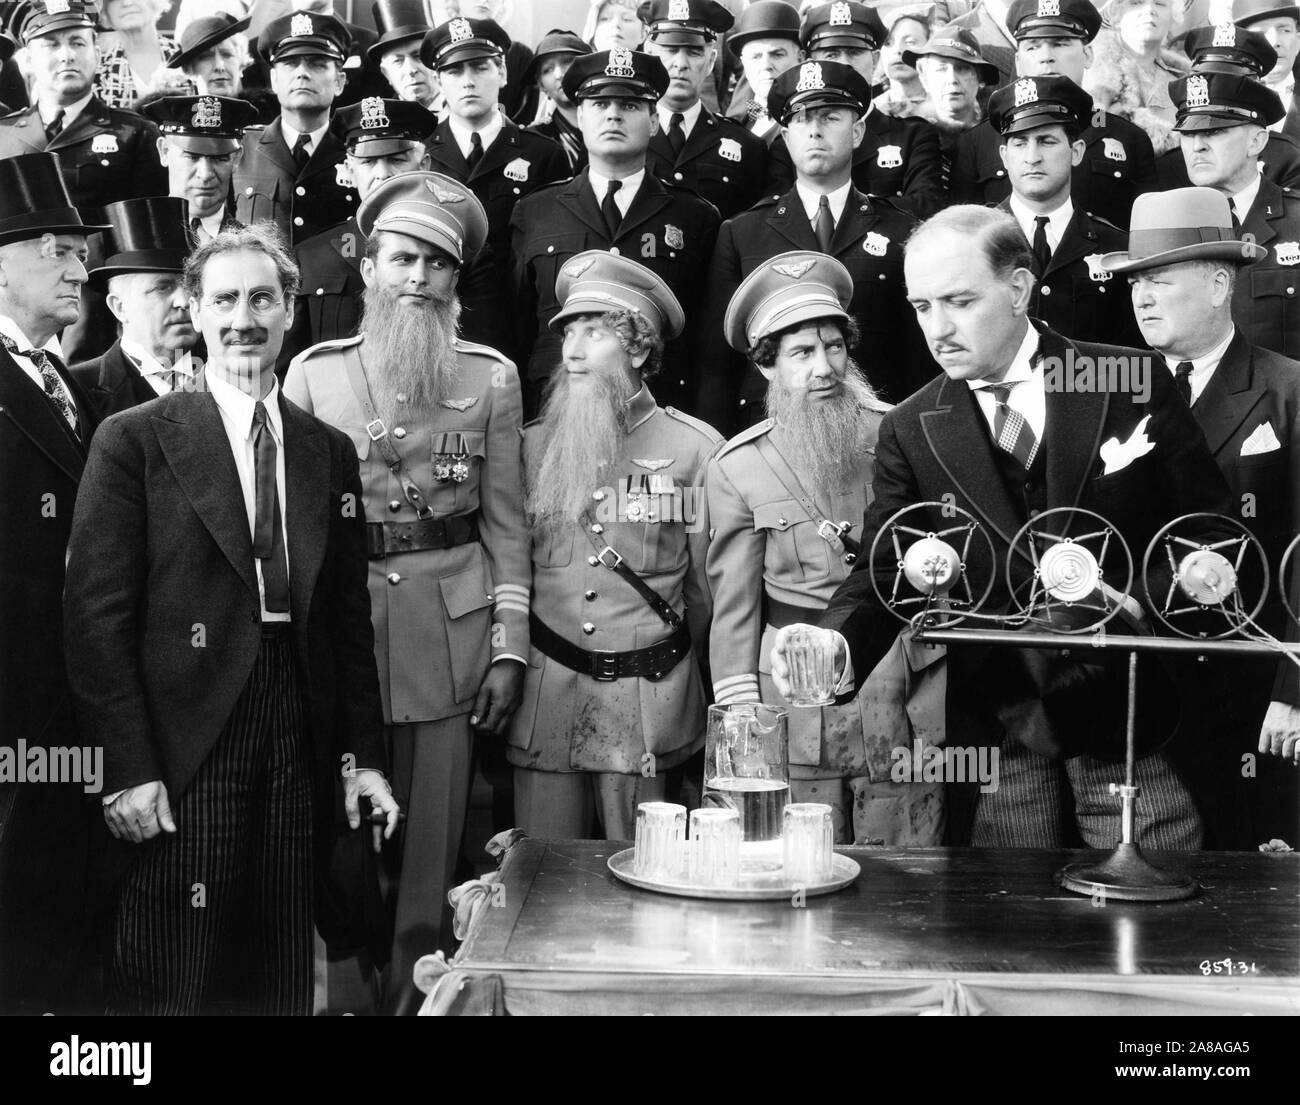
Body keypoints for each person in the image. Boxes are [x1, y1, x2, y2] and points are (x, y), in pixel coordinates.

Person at [771, 204, 1234, 849]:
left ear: (1018, 289)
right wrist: (835, 645)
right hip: (1001, 719)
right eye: (922, 307)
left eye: (958, 301)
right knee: (1007, 908)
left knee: (1152, 903)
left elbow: (1205, 527)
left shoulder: (1124, 376)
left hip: (1129, 704)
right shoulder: (914, 423)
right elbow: (885, 564)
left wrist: (1142, 606)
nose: (939, 329)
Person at [64, 223, 401, 1016]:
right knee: (176, 969)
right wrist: (128, 766)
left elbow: (349, 624)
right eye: (223, 299)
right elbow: (94, 617)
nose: (242, 316)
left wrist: (364, 758)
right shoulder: (134, 440)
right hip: (185, 735)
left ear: (290, 309)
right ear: (195, 309)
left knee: (280, 959)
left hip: (297, 722)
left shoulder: (328, 450)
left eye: (261, 298)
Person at [284, 171, 526, 1014]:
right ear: (370, 267)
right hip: (346, 634)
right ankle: (344, 997)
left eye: (436, 264)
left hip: (447, 634)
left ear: (456, 282)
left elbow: (506, 527)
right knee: (342, 832)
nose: (418, 278)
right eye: (402, 260)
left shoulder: (489, 377)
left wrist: (508, 645)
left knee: (430, 843)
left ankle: (418, 999)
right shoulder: (314, 375)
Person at [707, 251, 946, 845]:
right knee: (798, 853)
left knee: (908, 856)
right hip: (793, 690)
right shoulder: (738, 466)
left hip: (898, 677)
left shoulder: (901, 430)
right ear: (768, 367)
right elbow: (734, 610)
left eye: (834, 348)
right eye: (801, 354)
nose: (823, 368)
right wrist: (742, 717)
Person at [1101, 186, 1300, 846]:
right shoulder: (1109, 397)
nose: (1142, 297)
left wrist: (1294, 688)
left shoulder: (1287, 390)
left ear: (1219, 283)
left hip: (1254, 697)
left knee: (1256, 890)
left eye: (1160, 279)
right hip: (1141, 695)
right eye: (1135, 283)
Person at [507, 250, 722, 841]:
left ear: (638, 348)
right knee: (539, 884)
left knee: (642, 884)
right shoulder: (529, 447)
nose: (571, 350)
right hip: (546, 695)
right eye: (568, 332)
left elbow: (705, 594)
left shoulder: (695, 449)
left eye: (595, 332)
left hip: (646, 702)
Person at [0, 152, 106, 1015]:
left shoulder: (62, 379)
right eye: (56, 247)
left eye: (82, 249)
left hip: (65, 715)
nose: (80, 267)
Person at [701, 59, 934, 433]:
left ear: (857, 132)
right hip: (770, 433)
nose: (814, 131)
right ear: (785, 136)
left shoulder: (901, 229)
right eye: (801, 119)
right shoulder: (742, 233)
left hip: (878, 429)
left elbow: (920, 356)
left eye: (829, 117)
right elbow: (717, 363)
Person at [510, 47, 721, 417]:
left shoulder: (695, 216)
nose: (613, 115)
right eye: (599, 103)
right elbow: (517, 328)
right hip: (557, 412)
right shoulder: (535, 212)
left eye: (629, 105)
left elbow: (708, 344)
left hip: (660, 415)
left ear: (654, 120)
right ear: (579, 117)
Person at [0, 0, 167, 365]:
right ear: (28, 59)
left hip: (95, 319)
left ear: (97, 51)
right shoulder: (4, 135)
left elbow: (145, 252)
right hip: (13, 314)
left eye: (77, 42)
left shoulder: (135, 134)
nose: (66, 55)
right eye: (51, 44)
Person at [420, 16, 568, 353]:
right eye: (455, 71)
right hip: (436, 326)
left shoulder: (543, 154)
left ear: (502, 72)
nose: (468, 81)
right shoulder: (420, 153)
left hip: (518, 326)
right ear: (440, 80)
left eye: (480, 68)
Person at [951, 0, 1160, 230]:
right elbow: (964, 236)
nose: (1046, 57)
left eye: (1060, 43)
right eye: (1032, 47)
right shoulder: (977, 143)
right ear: (1018, 62)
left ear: (1088, 54)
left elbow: (1146, 239)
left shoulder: (1129, 139)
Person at [986, 74, 1145, 347]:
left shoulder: (1118, 248)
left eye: (1046, 141)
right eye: (1020, 142)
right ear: (1004, 156)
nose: (1032, 156)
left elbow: (1134, 356)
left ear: (1077, 152)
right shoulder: (976, 242)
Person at [766, 2, 945, 218]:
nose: (844, 64)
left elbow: (926, 207)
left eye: (854, 52)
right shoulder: (791, 142)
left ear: (876, 59)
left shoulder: (914, 137)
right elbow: (776, 217)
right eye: (831, 54)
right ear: (809, 61)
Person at [1169, 65, 1300, 355]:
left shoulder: (1296, 220)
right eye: (1188, 134)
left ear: (1256, 142)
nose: (1197, 147)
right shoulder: (1167, 224)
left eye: (1213, 131)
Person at [232, 9, 358, 245]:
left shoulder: (358, 153)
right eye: (290, 63)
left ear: (339, 81)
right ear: (273, 80)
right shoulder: (240, 150)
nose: (302, 73)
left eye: (317, 64)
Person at [70, 195, 198, 422]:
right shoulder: (77, 390)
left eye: (190, 286)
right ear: (119, 307)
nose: (184, 301)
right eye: (162, 288)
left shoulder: (229, 376)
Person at [643, 0, 769, 220]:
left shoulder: (746, 147)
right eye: (670, 50)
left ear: (711, 60)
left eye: (694, 52)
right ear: (648, 53)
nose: (680, 63)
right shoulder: (624, 133)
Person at [1153, 23, 1300, 190]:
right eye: (1188, 133)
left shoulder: (1286, 158)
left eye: (1215, 131)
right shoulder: (1167, 169)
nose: (1215, 84)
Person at [144, 94, 259, 244]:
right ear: (164, 151)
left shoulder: (255, 249)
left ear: (236, 158)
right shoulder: (133, 241)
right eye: (192, 157)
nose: (205, 174)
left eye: (220, 158)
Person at [1084, 0, 1190, 156]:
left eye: (1160, 4)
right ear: (1116, 13)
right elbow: (1095, 131)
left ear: (1174, 16)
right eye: (1136, 3)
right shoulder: (1092, 74)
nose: (1149, 10)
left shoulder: (1188, 78)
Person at [906, 24, 1002, 159]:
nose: (952, 79)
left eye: (962, 68)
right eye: (941, 69)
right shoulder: (906, 135)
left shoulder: (998, 135)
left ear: (980, 78)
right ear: (924, 77)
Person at [165, 11, 277, 121]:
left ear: (241, 65)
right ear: (189, 70)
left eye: (227, 55)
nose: (220, 66)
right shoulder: (173, 122)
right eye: (206, 57)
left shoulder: (270, 119)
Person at [723, 0, 803, 143]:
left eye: (777, 54)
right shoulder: (733, 123)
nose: (766, 65)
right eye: (756, 56)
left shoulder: (809, 120)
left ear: (800, 59)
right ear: (744, 63)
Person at [522, 28, 591, 172]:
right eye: (547, 69)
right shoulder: (534, 139)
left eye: (567, 62)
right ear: (541, 85)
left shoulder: (611, 123)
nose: (559, 74)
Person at [1235, 0, 1300, 141]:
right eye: (1261, 33)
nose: (1274, 41)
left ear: (1298, 41)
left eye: (1285, 30)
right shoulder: (1219, 101)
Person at [371, 0, 442, 114]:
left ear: (438, 62)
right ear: (386, 73)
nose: (410, 70)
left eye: (419, 56)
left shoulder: (466, 114)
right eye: (398, 61)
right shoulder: (381, 126)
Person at [874, 6, 939, 121]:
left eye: (910, 42)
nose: (897, 49)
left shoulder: (945, 109)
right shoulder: (871, 111)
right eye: (888, 43)